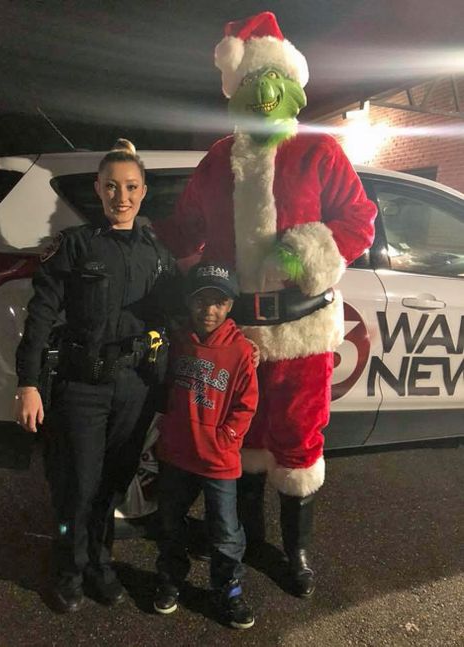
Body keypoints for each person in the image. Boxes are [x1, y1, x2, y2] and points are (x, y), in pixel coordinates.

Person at [153, 12, 377, 597]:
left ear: (293, 89)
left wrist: (312, 250)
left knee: (299, 444)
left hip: (303, 331)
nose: (267, 97)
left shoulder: (320, 152)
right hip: (240, 337)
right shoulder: (217, 160)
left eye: (276, 84)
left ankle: (296, 552)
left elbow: (359, 220)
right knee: (243, 442)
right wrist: (131, 240)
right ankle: (249, 539)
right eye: (255, 86)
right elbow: (184, 230)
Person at [14, 138, 177, 612]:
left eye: (130, 187)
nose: (120, 197)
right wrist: (27, 383)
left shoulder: (156, 253)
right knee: (77, 487)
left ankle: (100, 566)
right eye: (111, 187)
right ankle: (67, 571)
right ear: (97, 188)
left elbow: (172, 319)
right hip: (82, 387)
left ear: (143, 191)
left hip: (135, 388)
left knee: (111, 487)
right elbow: (40, 317)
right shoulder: (73, 246)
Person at [153, 262, 258, 630]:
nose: (209, 310)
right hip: (178, 453)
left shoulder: (241, 351)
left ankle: (227, 589)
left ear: (230, 306)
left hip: (218, 460)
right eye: (201, 301)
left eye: (218, 302)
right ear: (188, 302)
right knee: (170, 522)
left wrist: (227, 437)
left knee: (226, 530)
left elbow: (247, 402)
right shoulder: (178, 340)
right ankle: (170, 578)